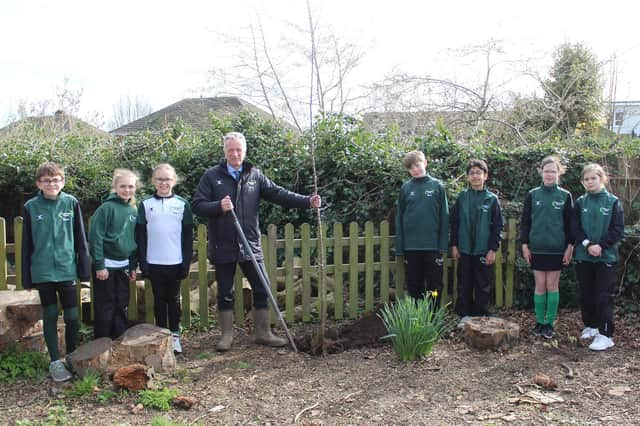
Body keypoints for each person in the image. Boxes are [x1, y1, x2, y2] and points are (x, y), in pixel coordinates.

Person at [191, 132, 321, 351]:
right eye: (231, 150)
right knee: (225, 291)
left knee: (262, 286)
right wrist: (218, 207)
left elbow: (279, 194)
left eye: (239, 149)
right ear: (225, 152)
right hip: (223, 244)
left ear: (245, 151)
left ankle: (263, 333)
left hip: (250, 243)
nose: (235, 154)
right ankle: (226, 336)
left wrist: (307, 201)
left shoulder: (254, 175)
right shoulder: (212, 176)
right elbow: (197, 204)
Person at [21, 162, 90, 382]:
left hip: (66, 269)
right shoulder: (31, 207)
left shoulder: (71, 203)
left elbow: (80, 239)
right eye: (47, 180)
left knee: (72, 316)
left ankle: (71, 355)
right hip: (42, 271)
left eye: (56, 179)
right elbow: (26, 245)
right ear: (38, 184)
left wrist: (84, 272)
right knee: (50, 314)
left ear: (63, 182)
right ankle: (55, 362)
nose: (52, 184)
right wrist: (27, 277)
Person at [136, 163, 193, 353]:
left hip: (175, 262)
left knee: (174, 300)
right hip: (154, 262)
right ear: (153, 181)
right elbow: (141, 235)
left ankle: (175, 336)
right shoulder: (145, 204)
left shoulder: (182, 204)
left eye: (167, 179)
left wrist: (186, 262)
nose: (163, 183)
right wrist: (143, 261)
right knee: (159, 300)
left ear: (174, 181)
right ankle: (163, 337)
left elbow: (187, 236)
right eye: (159, 179)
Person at [519, 156, 574, 339]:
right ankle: (539, 322)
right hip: (537, 249)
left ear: (558, 173)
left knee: (552, 285)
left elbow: (570, 225)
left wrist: (570, 247)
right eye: (546, 171)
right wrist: (525, 245)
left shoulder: (565, 196)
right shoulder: (532, 195)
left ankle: (549, 324)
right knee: (540, 285)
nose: (549, 174)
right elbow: (525, 222)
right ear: (541, 172)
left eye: (553, 171)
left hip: (557, 249)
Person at [573, 163, 624, 351]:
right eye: (586, 179)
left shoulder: (613, 202)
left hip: (605, 257)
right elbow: (575, 227)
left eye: (593, 178)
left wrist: (601, 245)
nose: (590, 182)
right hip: (584, 256)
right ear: (583, 182)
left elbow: (617, 229)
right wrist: (587, 244)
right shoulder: (580, 202)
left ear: (601, 179)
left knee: (603, 295)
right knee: (587, 293)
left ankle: (606, 334)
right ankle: (592, 326)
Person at [450, 159, 503, 324]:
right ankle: (464, 315)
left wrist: (492, 250)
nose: (475, 176)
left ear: (485, 176)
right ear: (468, 177)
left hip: (483, 250)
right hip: (464, 249)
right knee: (464, 283)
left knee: (482, 285)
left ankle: (480, 315)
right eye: (472, 173)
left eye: (479, 173)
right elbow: (454, 223)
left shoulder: (492, 199)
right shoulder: (462, 197)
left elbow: (497, 227)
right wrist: (454, 245)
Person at [89, 169, 138, 339]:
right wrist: (100, 265)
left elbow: (134, 241)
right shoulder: (106, 209)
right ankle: (103, 343)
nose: (127, 190)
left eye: (130, 186)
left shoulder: (133, 210)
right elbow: (96, 238)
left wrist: (132, 266)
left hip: (123, 265)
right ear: (115, 187)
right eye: (123, 186)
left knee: (121, 304)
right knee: (105, 306)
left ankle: (119, 341)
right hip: (106, 267)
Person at [395, 150, 449, 305]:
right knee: (414, 285)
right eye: (411, 168)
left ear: (425, 163)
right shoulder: (405, 189)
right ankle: (417, 318)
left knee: (434, 285)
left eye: (417, 165)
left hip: (433, 247)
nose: (415, 170)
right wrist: (400, 247)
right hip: (411, 248)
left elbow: (444, 217)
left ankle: (433, 317)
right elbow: (399, 217)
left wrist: (443, 245)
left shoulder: (437, 186)